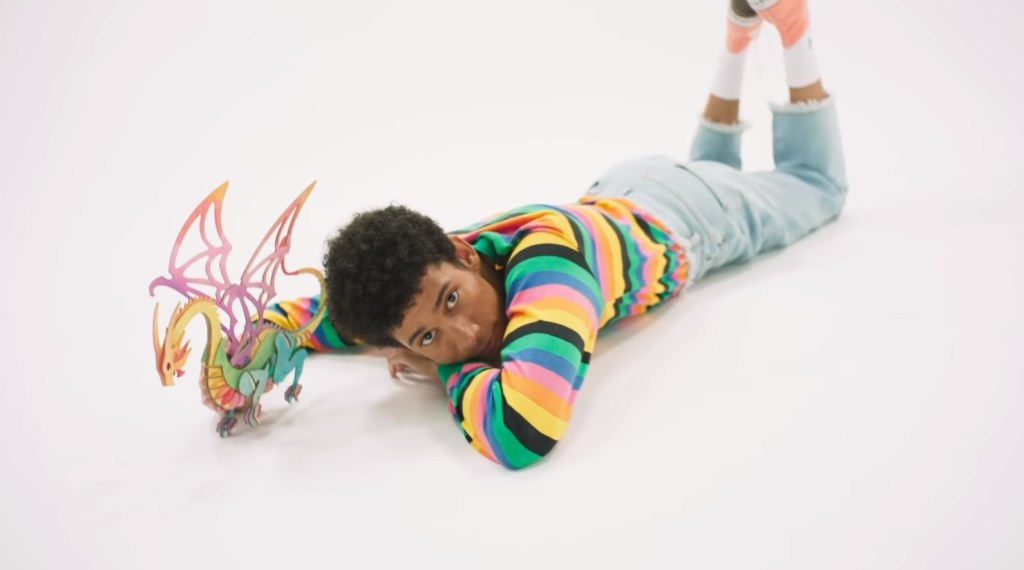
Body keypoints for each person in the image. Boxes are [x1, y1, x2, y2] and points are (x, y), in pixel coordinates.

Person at [265, 0, 847, 469]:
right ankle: (739, 35)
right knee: (712, 168)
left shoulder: (550, 272)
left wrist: (441, 367)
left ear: (464, 256)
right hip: (628, 186)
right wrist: (264, 337)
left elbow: (522, 431)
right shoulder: (433, 258)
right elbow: (330, 314)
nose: (467, 334)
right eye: (429, 335)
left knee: (818, 186)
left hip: (695, 218)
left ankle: (792, 27)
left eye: (452, 301)